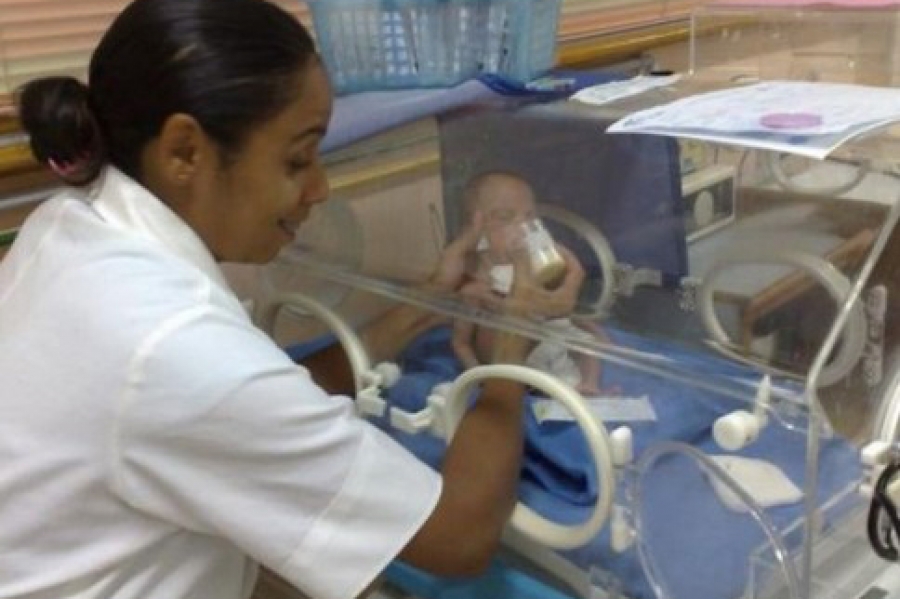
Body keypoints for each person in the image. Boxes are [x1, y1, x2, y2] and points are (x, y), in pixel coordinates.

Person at [0, 2, 584, 599]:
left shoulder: (68, 224)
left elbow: (254, 406)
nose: (320, 188)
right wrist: (510, 354)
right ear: (183, 151)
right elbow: (457, 538)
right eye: (298, 159)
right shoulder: (172, 344)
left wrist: (432, 299)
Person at [451, 171, 605, 395]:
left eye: (530, 216)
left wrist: (581, 313)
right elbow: (461, 342)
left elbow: (570, 282)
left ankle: (589, 385)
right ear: (477, 227)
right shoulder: (478, 282)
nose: (521, 226)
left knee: (588, 343)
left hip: (548, 341)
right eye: (505, 217)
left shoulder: (540, 259)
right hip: (508, 360)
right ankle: (519, 385)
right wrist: (477, 376)